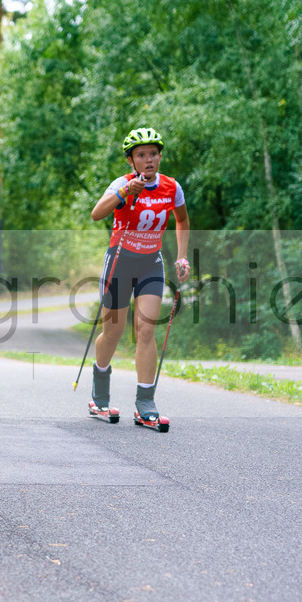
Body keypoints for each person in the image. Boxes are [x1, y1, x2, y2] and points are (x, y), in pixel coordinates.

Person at [89, 127, 190, 420]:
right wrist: (124, 193)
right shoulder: (122, 184)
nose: (149, 160)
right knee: (113, 331)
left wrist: (182, 256)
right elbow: (97, 213)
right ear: (131, 160)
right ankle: (99, 397)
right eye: (142, 155)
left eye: (153, 154)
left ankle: (145, 404)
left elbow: (182, 219)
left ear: (160, 157)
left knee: (146, 330)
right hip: (120, 262)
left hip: (150, 263)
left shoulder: (171, 187)